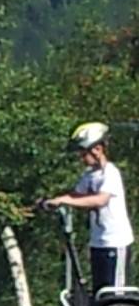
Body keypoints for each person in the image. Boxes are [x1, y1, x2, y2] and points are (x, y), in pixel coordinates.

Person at [43, 121, 133, 292]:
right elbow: (76, 195)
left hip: (115, 243)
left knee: (114, 294)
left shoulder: (110, 173)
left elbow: (100, 200)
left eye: (84, 153)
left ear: (97, 149)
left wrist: (65, 200)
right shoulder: (90, 175)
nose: (81, 157)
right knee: (99, 292)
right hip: (98, 243)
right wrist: (54, 200)